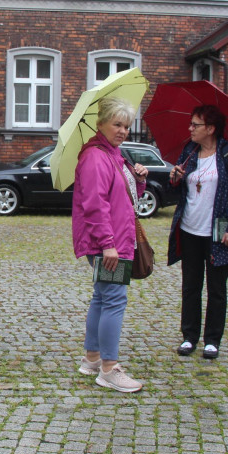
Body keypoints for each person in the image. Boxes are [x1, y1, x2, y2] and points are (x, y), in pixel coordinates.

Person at [73, 97, 147, 393]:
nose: (123, 130)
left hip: (116, 239)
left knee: (103, 298)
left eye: (127, 126)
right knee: (114, 299)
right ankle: (108, 368)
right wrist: (107, 245)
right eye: (117, 124)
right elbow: (94, 205)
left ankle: (92, 358)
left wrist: (139, 180)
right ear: (101, 123)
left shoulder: (114, 154)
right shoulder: (95, 157)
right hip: (109, 243)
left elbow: (123, 198)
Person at [167, 104, 228, 360]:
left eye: (196, 124)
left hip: (217, 232)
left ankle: (212, 340)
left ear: (211, 128)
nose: (190, 128)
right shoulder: (189, 151)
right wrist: (176, 178)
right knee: (190, 286)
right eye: (191, 124)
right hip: (190, 228)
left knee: (216, 288)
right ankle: (189, 337)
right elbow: (178, 192)